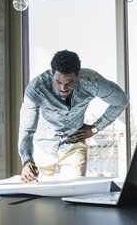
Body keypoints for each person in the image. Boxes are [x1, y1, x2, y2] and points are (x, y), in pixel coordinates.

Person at [18, 50, 129, 183]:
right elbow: (27, 130)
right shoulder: (37, 87)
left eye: (69, 82)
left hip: (73, 147)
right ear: (52, 73)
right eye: (58, 82)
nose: (63, 88)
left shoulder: (92, 81)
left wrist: (95, 129)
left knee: (75, 194)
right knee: (39, 199)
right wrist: (27, 160)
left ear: (78, 74)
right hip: (42, 148)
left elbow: (121, 101)